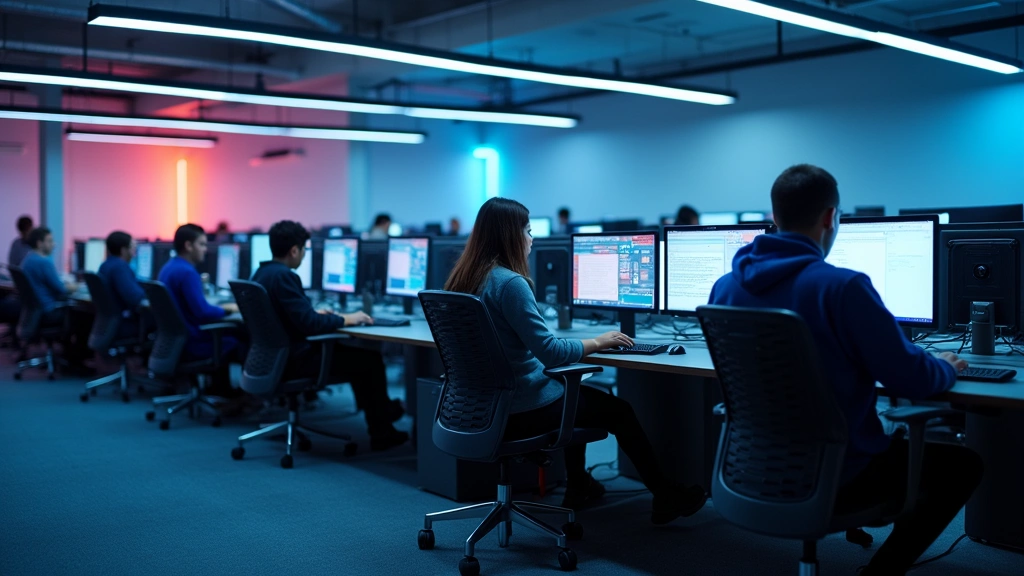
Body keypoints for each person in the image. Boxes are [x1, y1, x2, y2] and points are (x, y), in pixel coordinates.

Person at [708, 164, 982, 575]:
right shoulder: (842, 287)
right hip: (839, 475)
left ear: (775, 216)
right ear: (829, 217)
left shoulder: (725, 287)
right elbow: (914, 381)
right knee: (963, 465)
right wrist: (944, 366)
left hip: (750, 468)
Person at [445, 197, 706, 522]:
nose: (532, 238)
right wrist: (598, 341)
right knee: (616, 409)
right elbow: (551, 352)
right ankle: (666, 496)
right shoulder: (509, 284)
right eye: (527, 230)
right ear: (510, 235)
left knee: (572, 391)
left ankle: (579, 484)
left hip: (477, 407)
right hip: (519, 409)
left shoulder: (465, 279)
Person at [251, 220, 408, 451]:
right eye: (304, 250)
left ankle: (382, 414)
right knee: (369, 361)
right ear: (294, 250)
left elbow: (290, 315)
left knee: (360, 358)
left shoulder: (262, 273)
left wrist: (312, 312)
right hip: (295, 361)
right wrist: (348, 318)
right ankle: (382, 429)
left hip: (274, 358)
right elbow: (311, 325)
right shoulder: (285, 276)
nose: (304, 256)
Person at [157, 224, 242, 396]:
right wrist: (226, 310)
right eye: (202, 244)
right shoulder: (187, 273)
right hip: (192, 343)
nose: (205, 249)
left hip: (174, 341)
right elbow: (203, 312)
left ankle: (219, 391)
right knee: (240, 340)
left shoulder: (169, 267)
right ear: (188, 246)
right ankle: (236, 396)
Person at [20, 227, 91, 368]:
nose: (54, 244)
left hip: (37, 312)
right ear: (40, 244)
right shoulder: (43, 262)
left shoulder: (28, 260)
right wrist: (78, 286)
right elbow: (62, 290)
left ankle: (70, 354)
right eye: (50, 241)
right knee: (85, 314)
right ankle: (77, 361)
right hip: (49, 312)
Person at [97, 231, 148, 339]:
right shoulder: (120, 267)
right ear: (124, 250)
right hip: (122, 324)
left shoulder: (105, 265)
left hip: (108, 324)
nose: (135, 253)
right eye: (133, 248)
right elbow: (135, 298)